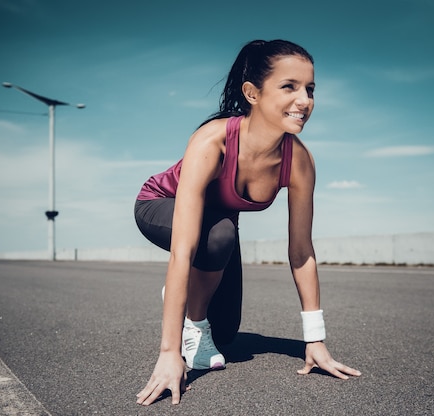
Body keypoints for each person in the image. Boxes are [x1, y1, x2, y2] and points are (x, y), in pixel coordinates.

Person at [134, 39, 361, 406]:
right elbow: (183, 249)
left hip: (217, 228)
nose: (304, 101)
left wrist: (315, 339)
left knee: (227, 334)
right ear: (252, 93)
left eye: (310, 89)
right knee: (218, 237)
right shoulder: (212, 141)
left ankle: (195, 306)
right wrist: (168, 352)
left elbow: (301, 250)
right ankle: (189, 317)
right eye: (289, 87)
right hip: (160, 205)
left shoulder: (299, 160)